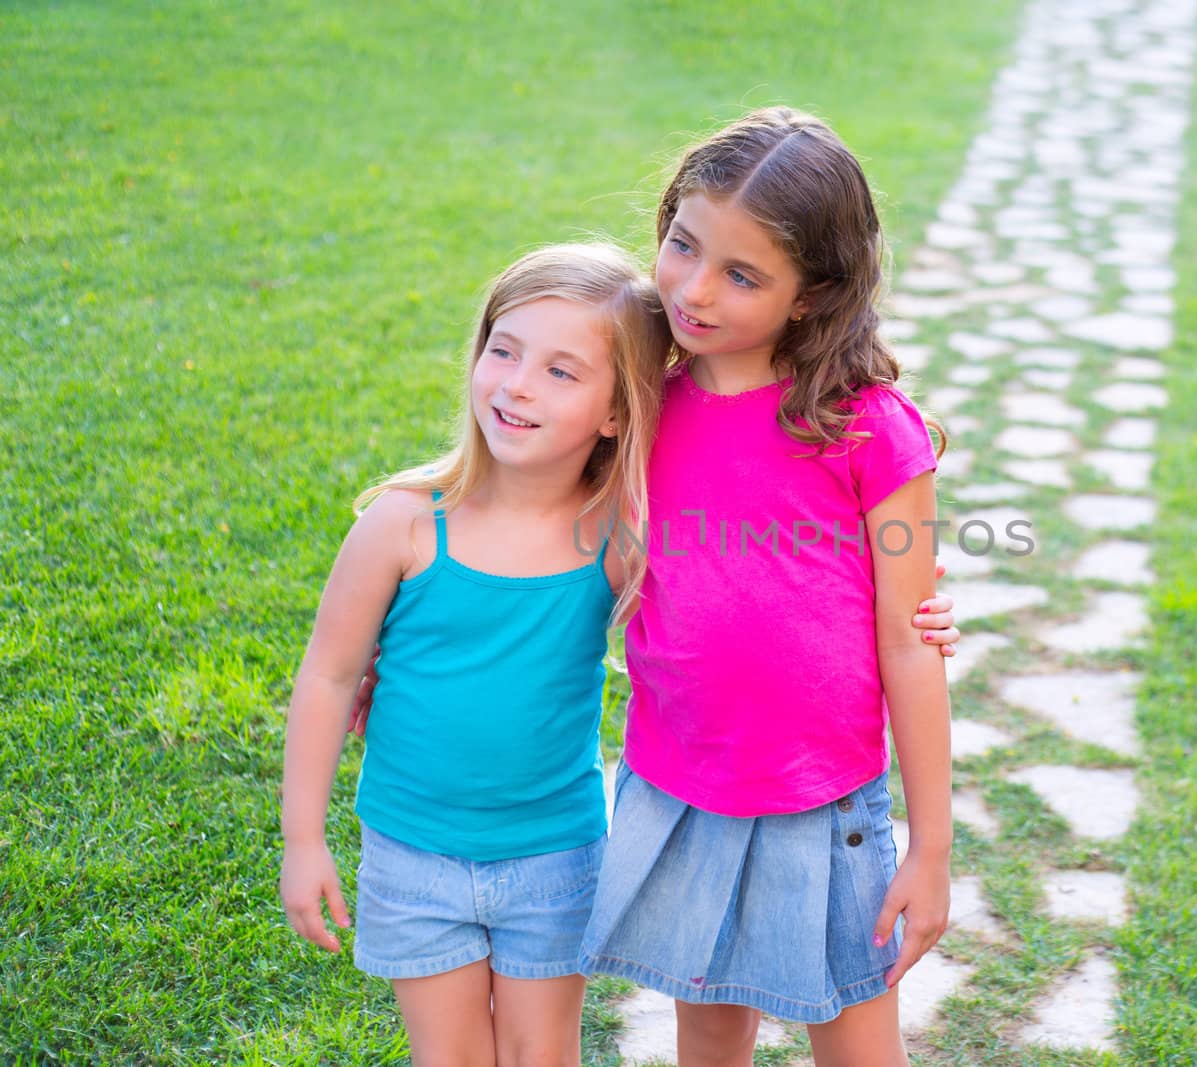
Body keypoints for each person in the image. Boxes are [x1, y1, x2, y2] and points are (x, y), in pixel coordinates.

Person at [279, 243, 960, 1066]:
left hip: (558, 847)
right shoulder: (407, 521)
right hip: (415, 847)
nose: (519, 383)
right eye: (503, 349)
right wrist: (305, 832)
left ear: (614, 412)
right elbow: (328, 670)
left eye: (562, 371)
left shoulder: (617, 531)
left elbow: (765, 569)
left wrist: (907, 592)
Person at [578, 108, 954, 1067]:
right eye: (683, 245)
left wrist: (932, 851)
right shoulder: (642, 395)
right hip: (682, 777)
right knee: (707, 1026)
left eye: (742, 275)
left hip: (821, 797)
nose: (695, 290)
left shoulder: (868, 428)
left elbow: (909, 637)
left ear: (812, 293)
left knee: (856, 1032)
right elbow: (530, 513)